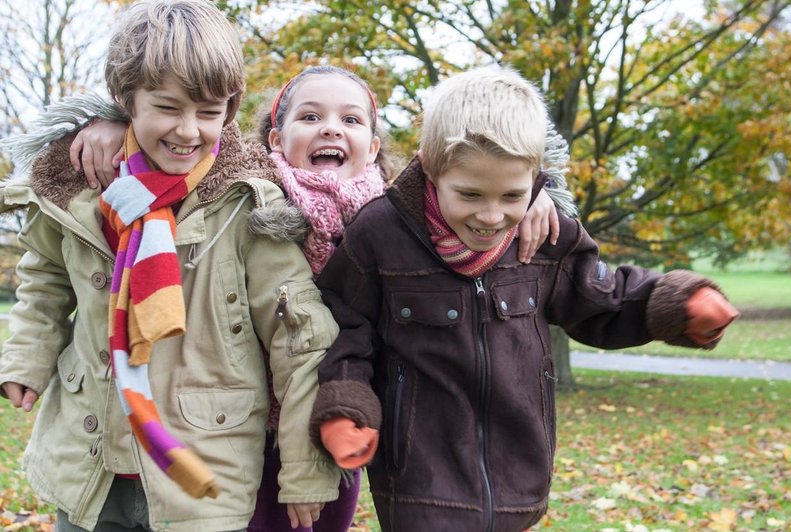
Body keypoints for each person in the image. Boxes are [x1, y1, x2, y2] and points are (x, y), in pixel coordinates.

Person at [40, 64, 579, 530]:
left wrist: (539, 195)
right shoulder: (240, 194)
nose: (331, 129)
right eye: (310, 116)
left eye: (351, 120)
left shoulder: (402, 220)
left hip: (338, 420)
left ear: (374, 145)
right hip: (242, 425)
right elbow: (183, 136)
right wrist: (111, 124)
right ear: (274, 139)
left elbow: (477, 177)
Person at [307, 66, 740, 531]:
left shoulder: (545, 234)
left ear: (536, 178)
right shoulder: (380, 234)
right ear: (431, 169)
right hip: (419, 481)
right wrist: (346, 404)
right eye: (470, 194)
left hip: (519, 477)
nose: (492, 215)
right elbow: (344, 325)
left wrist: (675, 307)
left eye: (512, 195)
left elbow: (600, 297)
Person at [0, 1, 341, 530]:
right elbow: (44, 276)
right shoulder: (76, 189)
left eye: (209, 113)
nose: (188, 131)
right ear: (124, 103)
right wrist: (25, 356)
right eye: (167, 107)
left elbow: (299, 340)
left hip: (201, 475)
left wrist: (304, 467)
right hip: (89, 466)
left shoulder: (248, 206)